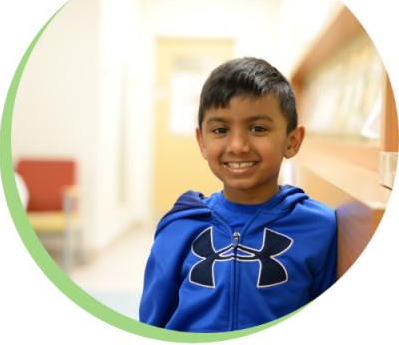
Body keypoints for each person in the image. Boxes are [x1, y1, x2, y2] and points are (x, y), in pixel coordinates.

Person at [139, 57, 337, 332]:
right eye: (220, 130)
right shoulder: (180, 226)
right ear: (202, 142)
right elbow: (152, 323)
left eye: (258, 128)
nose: (238, 146)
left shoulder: (319, 225)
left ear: (292, 142)